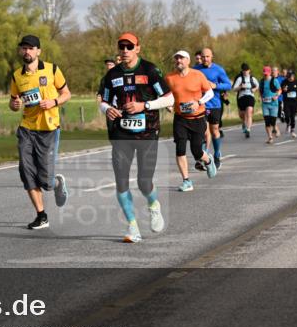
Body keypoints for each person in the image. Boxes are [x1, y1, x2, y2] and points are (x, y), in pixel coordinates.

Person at [99, 33, 173, 243]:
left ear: (138, 48)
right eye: (121, 46)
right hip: (121, 134)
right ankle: (133, 227)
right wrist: (107, 109)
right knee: (121, 182)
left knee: (143, 181)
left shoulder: (150, 70)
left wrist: (144, 105)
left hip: (147, 132)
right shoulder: (112, 75)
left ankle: (153, 205)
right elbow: (103, 101)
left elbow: (169, 98)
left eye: (129, 46)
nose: (125, 50)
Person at [8, 34, 71, 230]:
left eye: (30, 48)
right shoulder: (17, 75)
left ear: (38, 51)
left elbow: (66, 93)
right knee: (26, 171)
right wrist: (15, 103)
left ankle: (56, 182)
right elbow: (13, 102)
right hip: (27, 128)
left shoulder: (52, 69)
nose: (26, 51)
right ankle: (41, 215)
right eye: (23, 48)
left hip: (49, 128)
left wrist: (53, 102)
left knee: (46, 181)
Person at [166, 50, 217, 192]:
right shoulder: (170, 78)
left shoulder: (198, 75)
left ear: (188, 60)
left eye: (181, 58)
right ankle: (186, 181)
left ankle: (208, 160)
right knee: (180, 149)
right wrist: (168, 105)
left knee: (197, 151)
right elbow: (166, 95)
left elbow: (210, 93)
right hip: (180, 119)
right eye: (176, 59)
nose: (178, 61)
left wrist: (199, 102)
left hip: (198, 118)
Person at [194, 47, 233, 167]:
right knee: (203, 132)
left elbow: (228, 85)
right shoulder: (195, 70)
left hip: (215, 104)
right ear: (200, 56)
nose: (205, 59)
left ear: (212, 57)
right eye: (203, 56)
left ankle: (216, 154)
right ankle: (203, 156)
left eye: (207, 56)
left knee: (214, 130)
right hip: (201, 105)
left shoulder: (218, 70)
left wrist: (215, 85)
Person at [232, 63, 258, 138]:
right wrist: (240, 87)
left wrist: (254, 89)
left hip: (250, 96)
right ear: (242, 71)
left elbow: (257, 85)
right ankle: (244, 122)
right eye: (244, 70)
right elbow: (234, 89)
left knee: (249, 112)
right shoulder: (240, 79)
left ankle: (248, 129)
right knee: (242, 115)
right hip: (242, 97)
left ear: (249, 70)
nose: (245, 72)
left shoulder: (252, 78)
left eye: (246, 70)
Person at [257, 65, 282, 144]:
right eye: (264, 73)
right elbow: (260, 91)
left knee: (273, 121)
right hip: (265, 104)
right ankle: (270, 137)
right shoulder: (261, 81)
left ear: (270, 73)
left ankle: (276, 128)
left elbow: (280, 90)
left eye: (267, 73)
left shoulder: (274, 81)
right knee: (267, 121)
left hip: (274, 104)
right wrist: (260, 97)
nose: (265, 74)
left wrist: (276, 96)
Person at [280, 70, 297, 138]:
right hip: (287, 101)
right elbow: (282, 90)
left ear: (294, 76)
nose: (290, 78)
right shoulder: (284, 82)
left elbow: (296, 89)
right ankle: (288, 124)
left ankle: (292, 130)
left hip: (294, 101)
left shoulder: (296, 81)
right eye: (289, 77)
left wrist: (288, 89)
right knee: (287, 115)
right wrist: (284, 90)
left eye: (291, 76)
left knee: (293, 117)